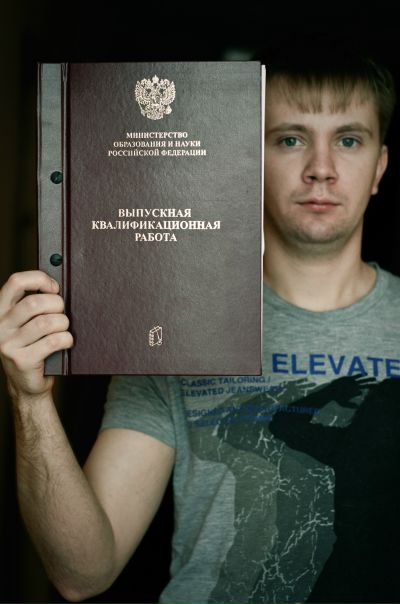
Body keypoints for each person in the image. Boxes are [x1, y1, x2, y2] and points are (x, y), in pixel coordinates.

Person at [1, 52, 399, 604]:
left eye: (349, 140)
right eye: (290, 139)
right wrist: (30, 402)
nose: (321, 168)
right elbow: (82, 573)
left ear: (380, 166)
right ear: (246, 159)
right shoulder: (171, 325)